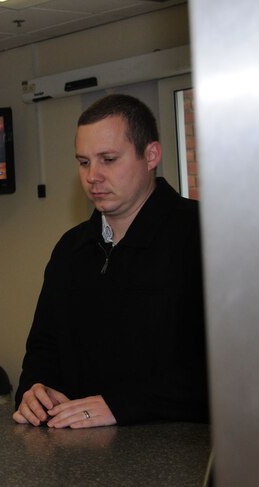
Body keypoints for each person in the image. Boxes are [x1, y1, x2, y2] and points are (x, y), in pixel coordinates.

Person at [13, 94, 208, 429]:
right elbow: (44, 347)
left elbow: (233, 370)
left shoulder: (205, 236)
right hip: (79, 455)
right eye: (84, 162)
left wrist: (120, 405)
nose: (93, 176)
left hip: (183, 459)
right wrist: (36, 391)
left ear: (151, 156)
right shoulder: (70, 249)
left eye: (108, 159)